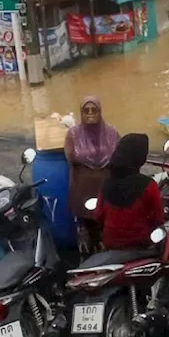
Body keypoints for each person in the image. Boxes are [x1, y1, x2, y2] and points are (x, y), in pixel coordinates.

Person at [64, 96, 120, 253]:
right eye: (86, 110)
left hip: (106, 186)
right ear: (81, 113)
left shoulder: (112, 132)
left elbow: (119, 155)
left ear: (100, 112)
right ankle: (86, 243)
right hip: (82, 186)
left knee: (105, 220)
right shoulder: (73, 134)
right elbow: (70, 156)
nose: (90, 113)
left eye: (94, 110)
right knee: (85, 220)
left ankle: (105, 244)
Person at [93, 133, 164, 251]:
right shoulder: (149, 185)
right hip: (141, 243)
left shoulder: (107, 183)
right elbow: (158, 219)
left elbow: (98, 215)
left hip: (110, 243)